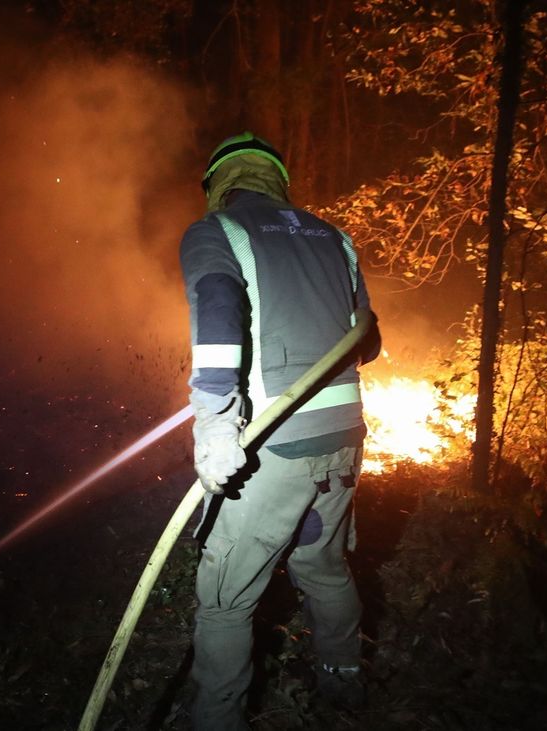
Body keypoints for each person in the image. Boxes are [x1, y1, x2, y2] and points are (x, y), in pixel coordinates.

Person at [179, 132, 381, 729]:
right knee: (324, 566)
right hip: (343, 437)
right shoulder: (335, 238)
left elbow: (219, 309)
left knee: (226, 599)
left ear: (219, 183)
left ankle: (216, 721)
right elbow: (367, 341)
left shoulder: (216, 231)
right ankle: (344, 680)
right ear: (278, 181)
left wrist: (216, 421)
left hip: (272, 446)